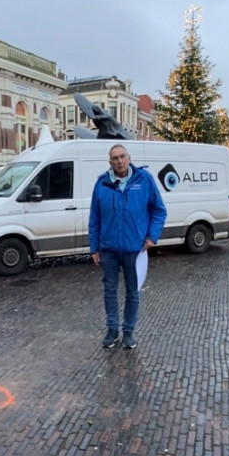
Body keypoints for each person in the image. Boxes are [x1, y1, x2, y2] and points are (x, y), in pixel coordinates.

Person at [89, 144, 167, 350]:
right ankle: (112, 330)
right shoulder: (102, 184)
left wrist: (152, 236)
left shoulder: (144, 180)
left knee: (133, 292)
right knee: (110, 291)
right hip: (108, 249)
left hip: (135, 249)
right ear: (110, 162)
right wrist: (94, 248)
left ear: (129, 158)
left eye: (122, 156)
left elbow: (159, 210)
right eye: (115, 158)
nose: (119, 161)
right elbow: (94, 218)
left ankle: (129, 332)